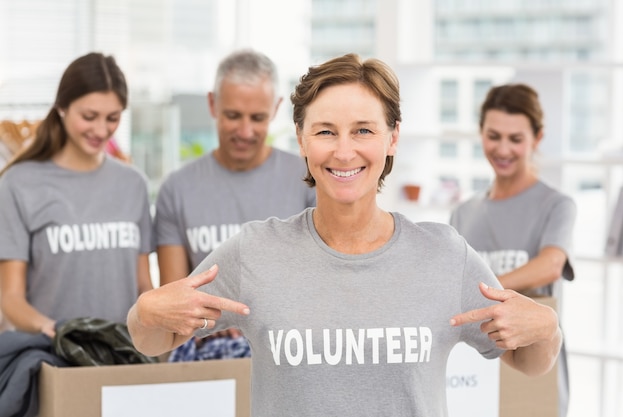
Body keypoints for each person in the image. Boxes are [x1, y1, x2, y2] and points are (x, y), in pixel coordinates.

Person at [128, 54, 562, 416]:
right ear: (301, 139)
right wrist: (145, 311)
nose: (343, 150)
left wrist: (548, 328)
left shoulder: (444, 254)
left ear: (392, 138)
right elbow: (154, 341)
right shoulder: (254, 252)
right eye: (325, 132)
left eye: (363, 130)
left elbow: (529, 362)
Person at [154, 49, 315, 361]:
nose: (245, 131)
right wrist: (217, 321)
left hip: (288, 347)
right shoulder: (177, 190)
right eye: (233, 116)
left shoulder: (307, 180)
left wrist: (253, 322)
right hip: (206, 347)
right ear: (212, 104)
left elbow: (319, 285)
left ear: (277, 108)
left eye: (257, 118)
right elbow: (175, 296)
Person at [0, 52, 153, 338]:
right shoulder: (18, 184)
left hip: (123, 354)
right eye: (89, 116)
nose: (100, 129)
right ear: (61, 107)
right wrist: (53, 330)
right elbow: (10, 298)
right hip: (52, 356)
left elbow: (144, 287)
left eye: (112, 118)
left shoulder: (133, 184)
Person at [449, 83, 576, 417]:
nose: (503, 149)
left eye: (516, 139)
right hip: (476, 367)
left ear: (537, 138)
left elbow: (550, 265)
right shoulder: (463, 213)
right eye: (493, 136)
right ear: (480, 133)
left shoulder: (556, 205)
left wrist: (481, 289)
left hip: (535, 364)